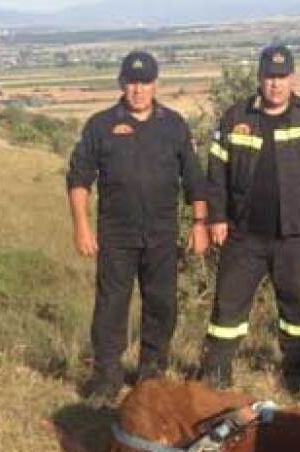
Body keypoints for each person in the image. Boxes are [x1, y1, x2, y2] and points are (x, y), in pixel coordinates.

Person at [197, 44, 300, 393]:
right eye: (269, 77)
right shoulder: (236, 118)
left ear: (292, 78)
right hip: (243, 234)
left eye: (281, 77)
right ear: (259, 78)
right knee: (228, 306)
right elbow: (215, 173)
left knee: (297, 308)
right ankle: (216, 374)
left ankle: (295, 373)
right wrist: (216, 218)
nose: (275, 84)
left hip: (295, 235)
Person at [67, 50, 208, 408]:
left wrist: (200, 223)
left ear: (155, 84)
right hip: (116, 235)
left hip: (162, 234)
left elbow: (194, 179)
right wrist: (82, 226)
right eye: (132, 82)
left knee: (161, 305)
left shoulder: (174, 125)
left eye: (145, 83)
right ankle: (107, 378)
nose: (138, 90)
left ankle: (151, 374)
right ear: (121, 84)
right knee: (111, 307)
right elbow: (79, 179)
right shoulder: (99, 125)